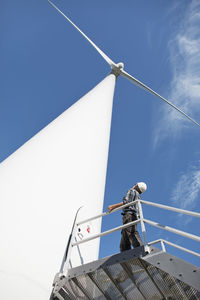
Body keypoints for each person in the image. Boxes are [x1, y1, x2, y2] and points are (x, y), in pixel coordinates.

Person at [108, 182, 147, 252]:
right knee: (125, 235)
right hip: (134, 216)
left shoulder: (132, 191)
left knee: (131, 233)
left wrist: (112, 207)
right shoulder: (138, 196)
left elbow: (126, 202)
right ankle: (124, 252)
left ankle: (141, 250)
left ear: (136, 186)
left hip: (129, 215)